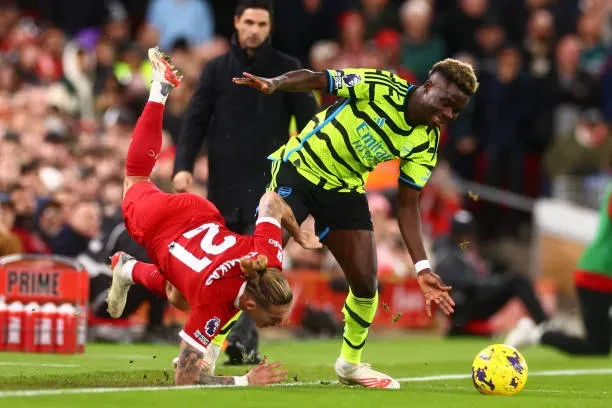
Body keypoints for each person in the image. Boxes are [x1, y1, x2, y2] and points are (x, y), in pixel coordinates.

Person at [228, 58, 479, 388]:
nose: (448, 115)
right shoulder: (381, 86)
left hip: (344, 189)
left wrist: (421, 267)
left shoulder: (426, 141)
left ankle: (349, 365)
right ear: (428, 86)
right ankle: (206, 347)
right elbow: (320, 79)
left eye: (456, 111)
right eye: (447, 103)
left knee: (366, 285)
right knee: (257, 266)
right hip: (300, 170)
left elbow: (407, 204)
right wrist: (277, 83)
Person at [105, 47, 321, 386]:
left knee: (178, 296)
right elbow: (184, 381)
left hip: (201, 214)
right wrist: (244, 381)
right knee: (136, 176)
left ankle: (127, 267)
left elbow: (270, 201)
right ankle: (160, 88)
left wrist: (298, 231)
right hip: (162, 225)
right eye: (275, 318)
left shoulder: (268, 257)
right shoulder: (212, 304)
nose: (280, 323)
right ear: (250, 303)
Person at [172, 0, 318, 365]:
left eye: (262, 24)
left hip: (270, 188)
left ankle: (240, 340)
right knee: (217, 267)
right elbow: (195, 121)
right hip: (222, 186)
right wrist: (183, 166)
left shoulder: (288, 71)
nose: (254, 29)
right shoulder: (215, 70)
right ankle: (208, 343)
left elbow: (312, 129)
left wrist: (308, 182)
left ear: (270, 28)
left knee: (261, 268)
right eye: (248, 22)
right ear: (236, 23)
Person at [505, 184, 612, 355]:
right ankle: (537, 334)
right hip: (596, 274)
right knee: (597, 347)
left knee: (600, 345)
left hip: (602, 273)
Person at [434, 210, 549, 336]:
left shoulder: (466, 249)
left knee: (516, 279)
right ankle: (545, 326)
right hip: (462, 303)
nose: (468, 236)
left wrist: (492, 275)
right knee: (518, 281)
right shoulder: (446, 251)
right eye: (464, 232)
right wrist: (491, 283)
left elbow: (480, 272)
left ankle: (544, 324)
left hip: (475, 296)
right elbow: (459, 283)